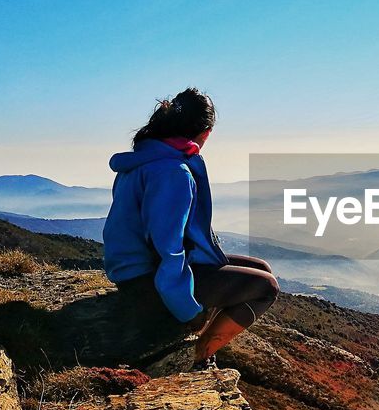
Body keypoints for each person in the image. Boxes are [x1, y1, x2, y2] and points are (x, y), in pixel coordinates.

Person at [102, 87, 278, 368]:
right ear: (206, 133)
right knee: (266, 287)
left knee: (262, 268)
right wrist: (186, 308)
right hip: (147, 282)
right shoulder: (173, 172)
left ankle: (200, 343)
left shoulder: (144, 160)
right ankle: (197, 355)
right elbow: (166, 249)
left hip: (131, 272)